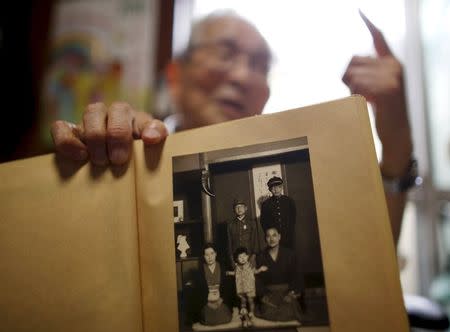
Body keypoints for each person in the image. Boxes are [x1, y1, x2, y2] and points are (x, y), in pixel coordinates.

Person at [50, 10, 413, 248]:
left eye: (259, 65)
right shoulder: (129, 151)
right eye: (226, 53)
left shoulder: (302, 171)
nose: (243, 76)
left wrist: (396, 143)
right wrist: (93, 159)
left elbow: (369, 257)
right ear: (176, 74)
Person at [255, 226, 302, 322]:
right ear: (265, 239)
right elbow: (257, 279)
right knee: (268, 311)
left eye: (274, 235)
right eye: (268, 236)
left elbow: (297, 276)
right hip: (269, 293)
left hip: (286, 292)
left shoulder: (290, 254)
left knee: (287, 312)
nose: (271, 239)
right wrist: (263, 295)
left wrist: (291, 294)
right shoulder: (261, 256)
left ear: (279, 237)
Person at [189, 243, 232, 326]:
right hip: (207, 301)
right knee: (208, 319)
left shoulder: (222, 267)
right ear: (204, 256)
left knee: (225, 318)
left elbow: (228, 288)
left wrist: (221, 300)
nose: (210, 257)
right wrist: (207, 302)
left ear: (216, 254)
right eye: (207, 255)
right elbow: (199, 291)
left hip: (220, 300)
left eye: (212, 254)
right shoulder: (201, 271)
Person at [226, 246, 267, 327]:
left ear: (248, 256)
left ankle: (251, 312)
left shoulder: (250, 266)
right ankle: (244, 312)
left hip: (249, 287)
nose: (243, 258)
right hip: (241, 288)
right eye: (240, 257)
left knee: (250, 300)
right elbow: (234, 273)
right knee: (243, 301)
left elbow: (255, 271)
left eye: (244, 256)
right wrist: (228, 273)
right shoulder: (237, 267)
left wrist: (260, 269)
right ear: (237, 259)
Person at [227, 198, 266, 268]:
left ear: (246, 208)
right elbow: (229, 243)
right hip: (237, 258)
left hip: (249, 257)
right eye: (237, 207)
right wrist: (232, 259)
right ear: (234, 210)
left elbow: (255, 241)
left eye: (241, 206)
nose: (239, 209)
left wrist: (253, 257)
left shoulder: (252, 223)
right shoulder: (231, 225)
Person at [260, 176, 296, 248]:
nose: (275, 190)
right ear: (270, 190)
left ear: (281, 188)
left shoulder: (289, 201)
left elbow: (293, 219)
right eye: (273, 188)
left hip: (288, 236)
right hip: (273, 238)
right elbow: (263, 222)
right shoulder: (266, 204)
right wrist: (271, 236)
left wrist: (289, 232)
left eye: (278, 187)